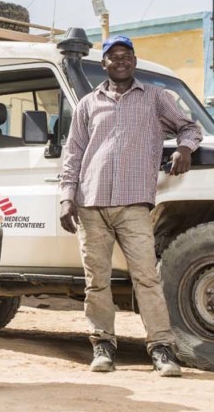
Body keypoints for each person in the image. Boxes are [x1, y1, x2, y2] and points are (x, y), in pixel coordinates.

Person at [59, 34, 202, 377]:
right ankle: (103, 346)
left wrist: (185, 149)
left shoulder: (155, 98)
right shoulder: (87, 104)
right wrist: (66, 196)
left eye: (127, 55)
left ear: (134, 61)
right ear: (104, 63)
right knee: (96, 281)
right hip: (90, 204)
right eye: (113, 56)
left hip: (133, 205)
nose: (120, 60)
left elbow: (190, 126)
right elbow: (73, 153)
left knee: (146, 278)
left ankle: (162, 350)